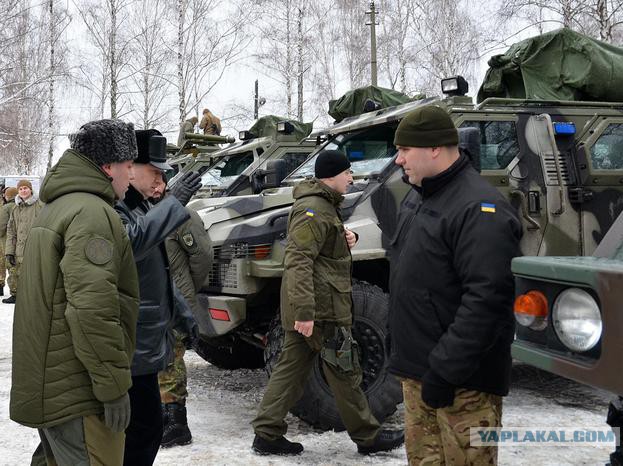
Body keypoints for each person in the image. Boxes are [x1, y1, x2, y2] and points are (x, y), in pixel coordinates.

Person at [388, 106, 522, 465]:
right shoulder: (418, 196)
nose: (398, 159)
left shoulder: (479, 207)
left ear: (434, 148)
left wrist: (446, 370)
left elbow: (487, 299)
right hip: (421, 375)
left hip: (464, 385)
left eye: (405, 150)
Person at [251, 150, 404, 456]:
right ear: (331, 176)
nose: (351, 178)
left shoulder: (322, 207)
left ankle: (267, 433)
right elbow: (298, 262)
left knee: (290, 371)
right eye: (347, 173)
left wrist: (347, 239)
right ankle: (368, 437)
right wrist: (306, 313)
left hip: (315, 307)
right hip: (320, 310)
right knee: (345, 371)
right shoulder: (313, 210)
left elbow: (322, 251)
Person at [10, 118, 140, 465]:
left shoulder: (58, 207)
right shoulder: (92, 213)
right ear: (108, 165)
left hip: (56, 385)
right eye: (129, 165)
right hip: (79, 392)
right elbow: (91, 310)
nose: (132, 175)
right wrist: (113, 387)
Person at [115, 129, 202, 466]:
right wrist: (171, 204)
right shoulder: (115, 207)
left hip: (147, 341)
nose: (161, 182)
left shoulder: (141, 208)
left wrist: (182, 314)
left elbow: (157, 272)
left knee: (146, 429)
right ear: (129, 167)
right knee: (140, 431)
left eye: (164, 176)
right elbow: (129, 246)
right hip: (130, 341)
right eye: (155, 172)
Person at [152, 177, 214, 448]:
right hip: (156, 299)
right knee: (158, 358)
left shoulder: (183, 215)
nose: (154, 188)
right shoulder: (147, 216)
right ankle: (164, 415)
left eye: (159, 182)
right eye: (150, 181)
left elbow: (203, 256)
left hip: (176, 300)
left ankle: (178, 423)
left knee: (172, 358)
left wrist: (187, 286)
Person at [4, 179, 42, 304]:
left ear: (30, 189)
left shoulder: (40, 205)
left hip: (35, 249)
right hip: (18, 250)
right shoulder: (16, 208)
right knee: (17, 274)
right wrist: (9, 252)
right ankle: (17, 296)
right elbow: (11, 231)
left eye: (25, 188)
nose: (23, 191)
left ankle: (35, 299)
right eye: (20, 189)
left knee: (35, 276)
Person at [0, 187, 18, 297]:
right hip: (19, 241)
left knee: (8, 265)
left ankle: (13, 291)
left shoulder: (6, 208)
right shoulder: (20, 206)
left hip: (6, 241)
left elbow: (1, 226)